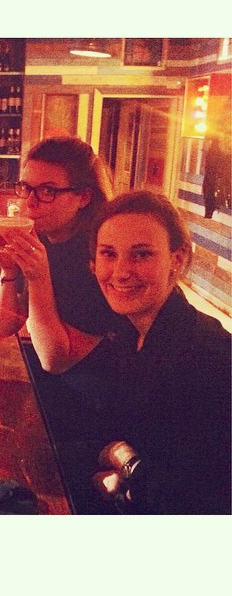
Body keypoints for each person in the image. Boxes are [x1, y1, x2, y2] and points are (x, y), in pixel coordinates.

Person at [87, 190, 230, 514]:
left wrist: (117, 471)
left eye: (141, 254)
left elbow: (195, 494)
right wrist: (118, 455)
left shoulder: (208, 357)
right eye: (109, 253)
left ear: (176, 260)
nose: (121, 272)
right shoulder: (126, 332)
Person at [0, 136, 120, 373]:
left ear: (84, 197)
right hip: (52, 377)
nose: (30, 202)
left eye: (48, 190)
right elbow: (3, 326)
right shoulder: (42, 241)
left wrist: (38, 277)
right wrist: (8, 270)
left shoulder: (100, 256)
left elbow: (54, 361)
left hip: (100, 386)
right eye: (26, 188)